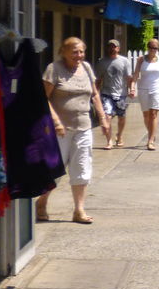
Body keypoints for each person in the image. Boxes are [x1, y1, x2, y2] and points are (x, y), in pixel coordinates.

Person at [36, 36, 109, 224]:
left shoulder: (86, 68)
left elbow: (95, 95)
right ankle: (42, 202)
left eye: (82, 52)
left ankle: (79, 210)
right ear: (64, 52)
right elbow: (43, 98)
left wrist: (103, 118)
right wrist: (56, 121)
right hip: (59, 131)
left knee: (82, 168)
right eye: (75, 52)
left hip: (83, 127)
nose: (79, 55)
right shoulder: (54, 69)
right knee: (55, 170)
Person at [133, 38, 159, 150]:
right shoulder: (141, 60)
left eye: (155, 48)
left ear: (158, 49)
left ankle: (150, 140)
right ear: (148, 48)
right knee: (146, 114)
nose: (153, 50)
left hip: (157, 88)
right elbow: (136, 74)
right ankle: (152, 132)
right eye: (151, 47)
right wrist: (132, 86)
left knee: (153, 113)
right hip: (143, 89)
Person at [97, 39, 133, 149]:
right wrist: (95, 93)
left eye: (115, 46)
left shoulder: (124, 61)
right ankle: (109, 141)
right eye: (110, 46)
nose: (112, 48)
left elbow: (129, 77)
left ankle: (119, 135)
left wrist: (132, 89)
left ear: (118, 48)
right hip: (106, 93)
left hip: (121, 94)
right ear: (107, 48)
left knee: (121, 117)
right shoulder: (102, 62)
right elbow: (98, 79)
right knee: (107, 116)